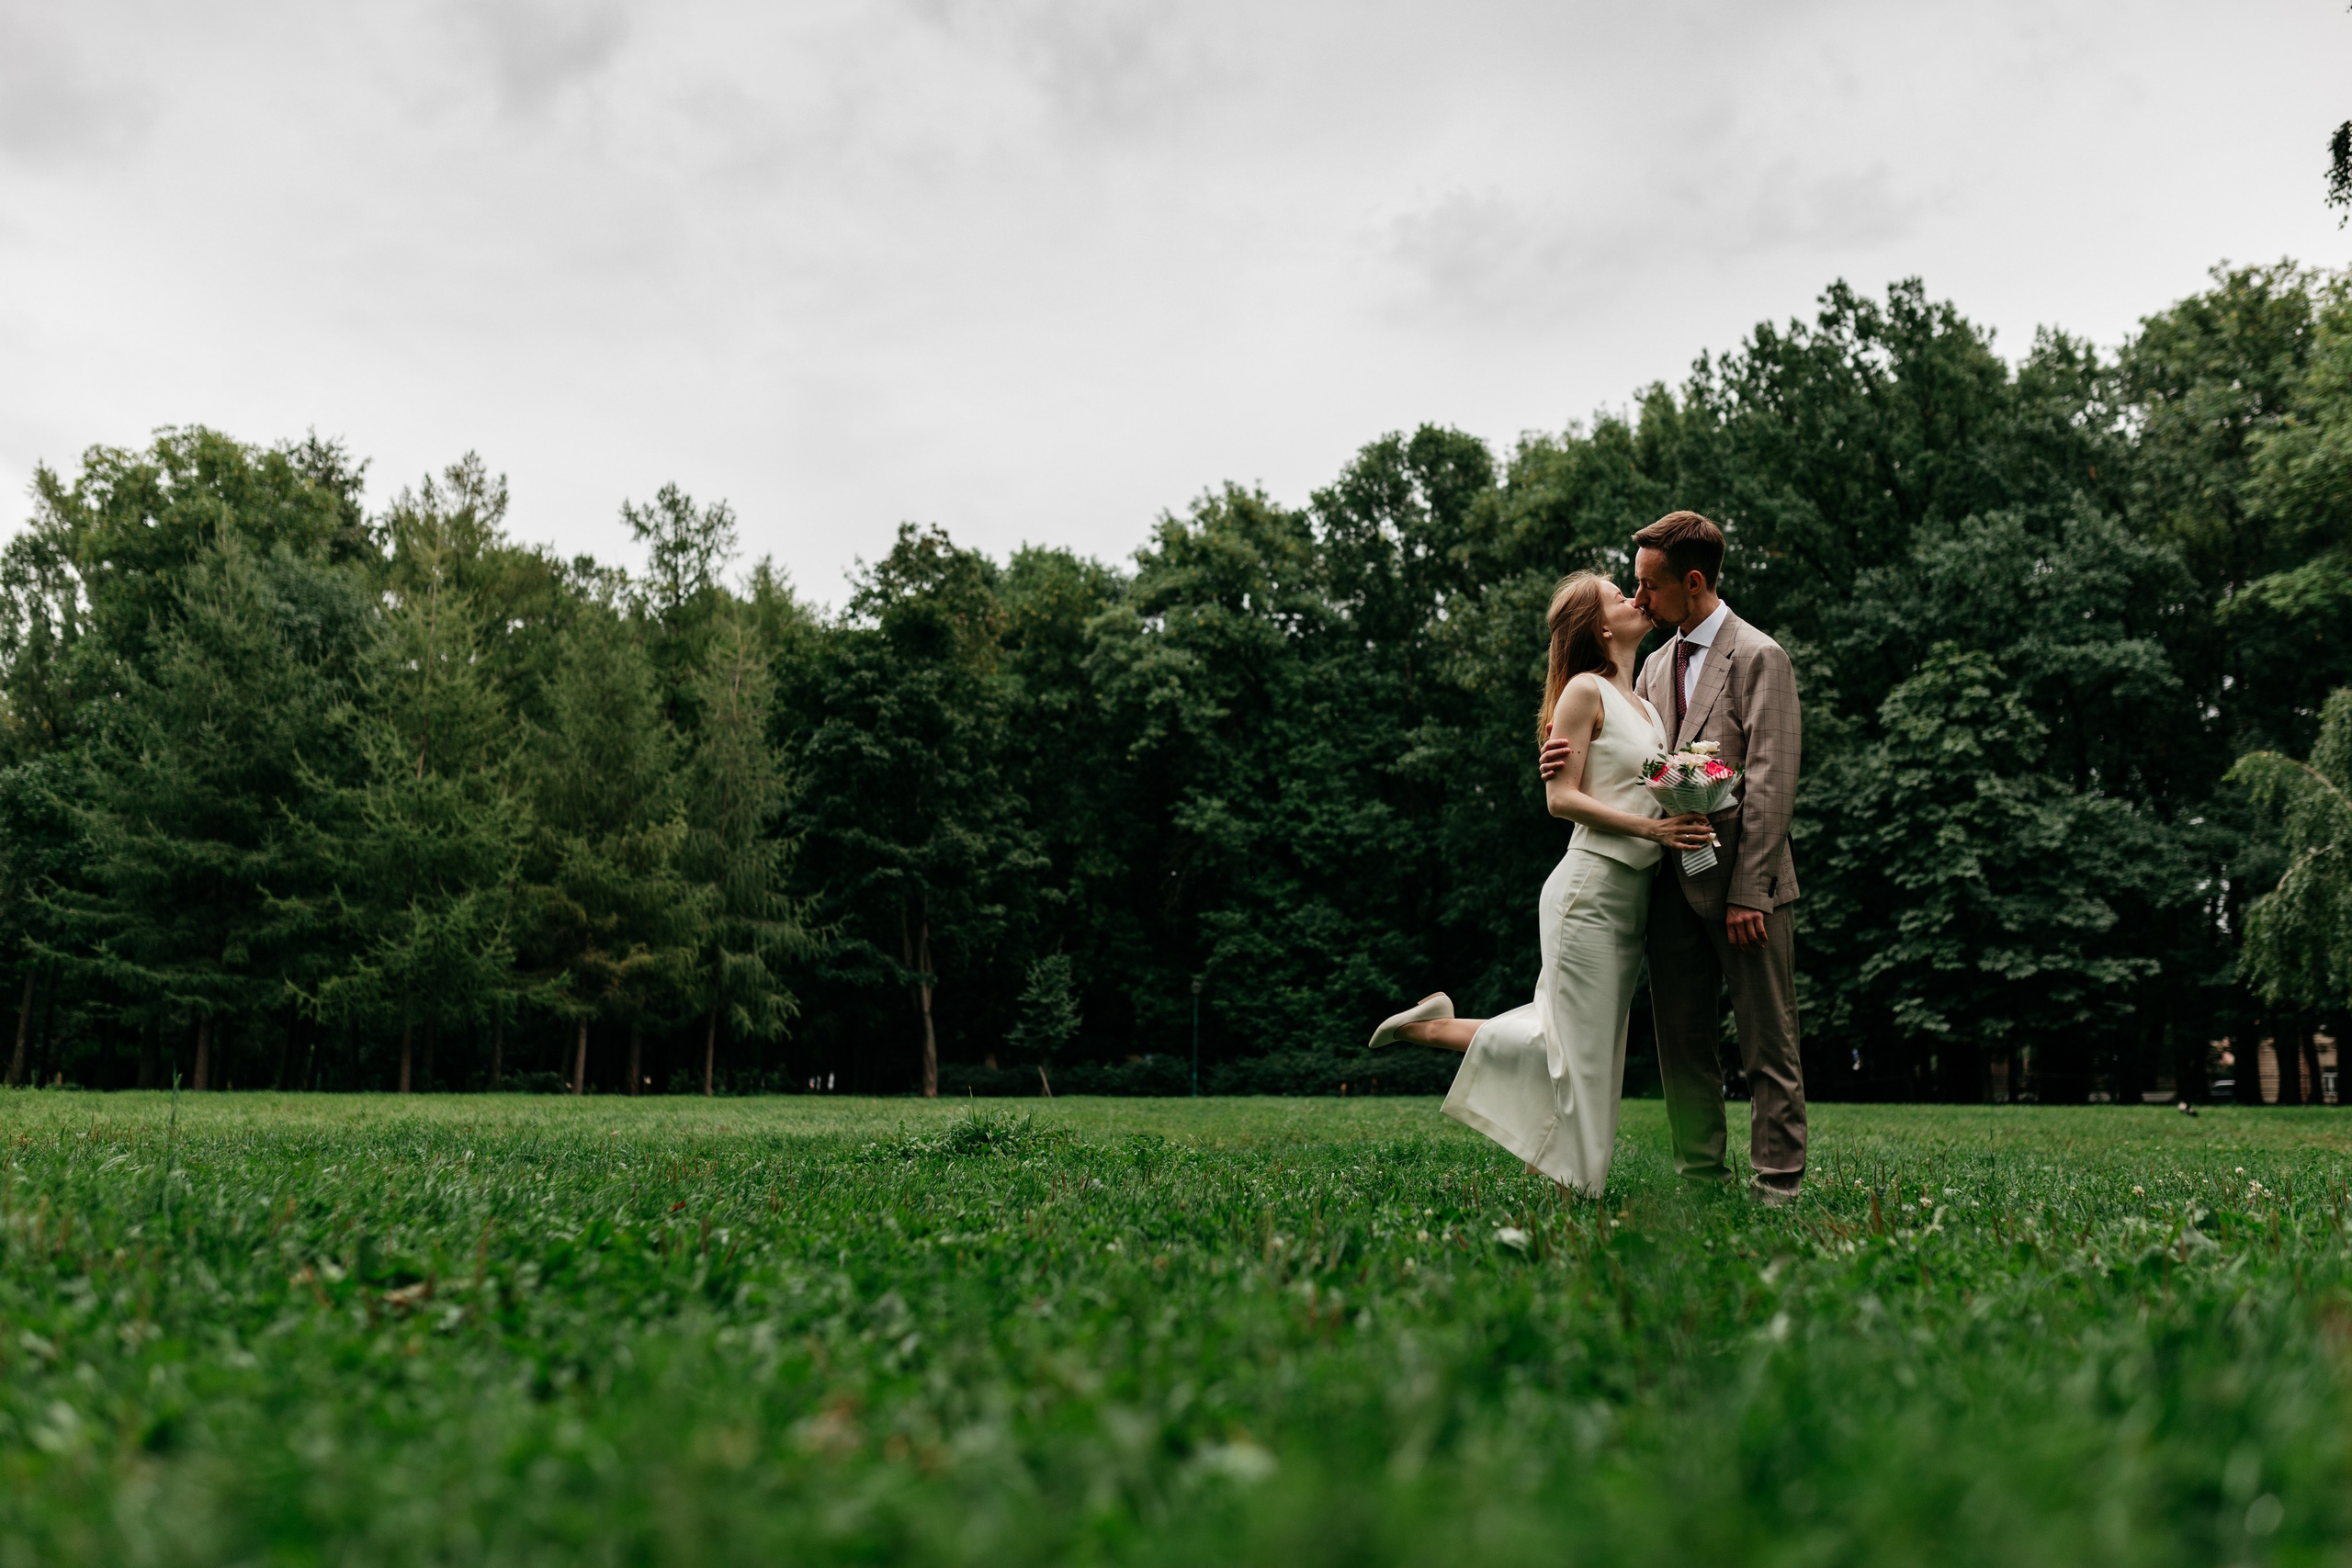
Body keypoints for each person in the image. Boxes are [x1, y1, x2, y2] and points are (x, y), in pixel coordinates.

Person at [1364, 571, 1712, 1196]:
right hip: (1589, 890)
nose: (1634, 596)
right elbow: (1561, 799)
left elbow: (1652, 785)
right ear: (1602, 627)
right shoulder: (1584, 690)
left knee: (1585, 1043)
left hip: (1628, 899)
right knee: (1575, 1049)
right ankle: (1569, 1180)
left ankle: (1438, 1029)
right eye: (1617, 594)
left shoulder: (1648, 706)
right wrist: (1654, 832)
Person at [1542, 511, 1806, 1203]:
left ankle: (1777, 1186)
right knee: (1683, 1047)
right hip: (1669, 889)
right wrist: (1557, 754)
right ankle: (1700, 1180)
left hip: (1748, 891)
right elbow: (1630, 763)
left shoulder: (1760, 656)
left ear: (1692, 582)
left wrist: (1751, 889)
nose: (1639, 599)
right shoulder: (1651, 667)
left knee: (1767, 1044)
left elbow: (1773, 784)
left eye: (1648, 586)